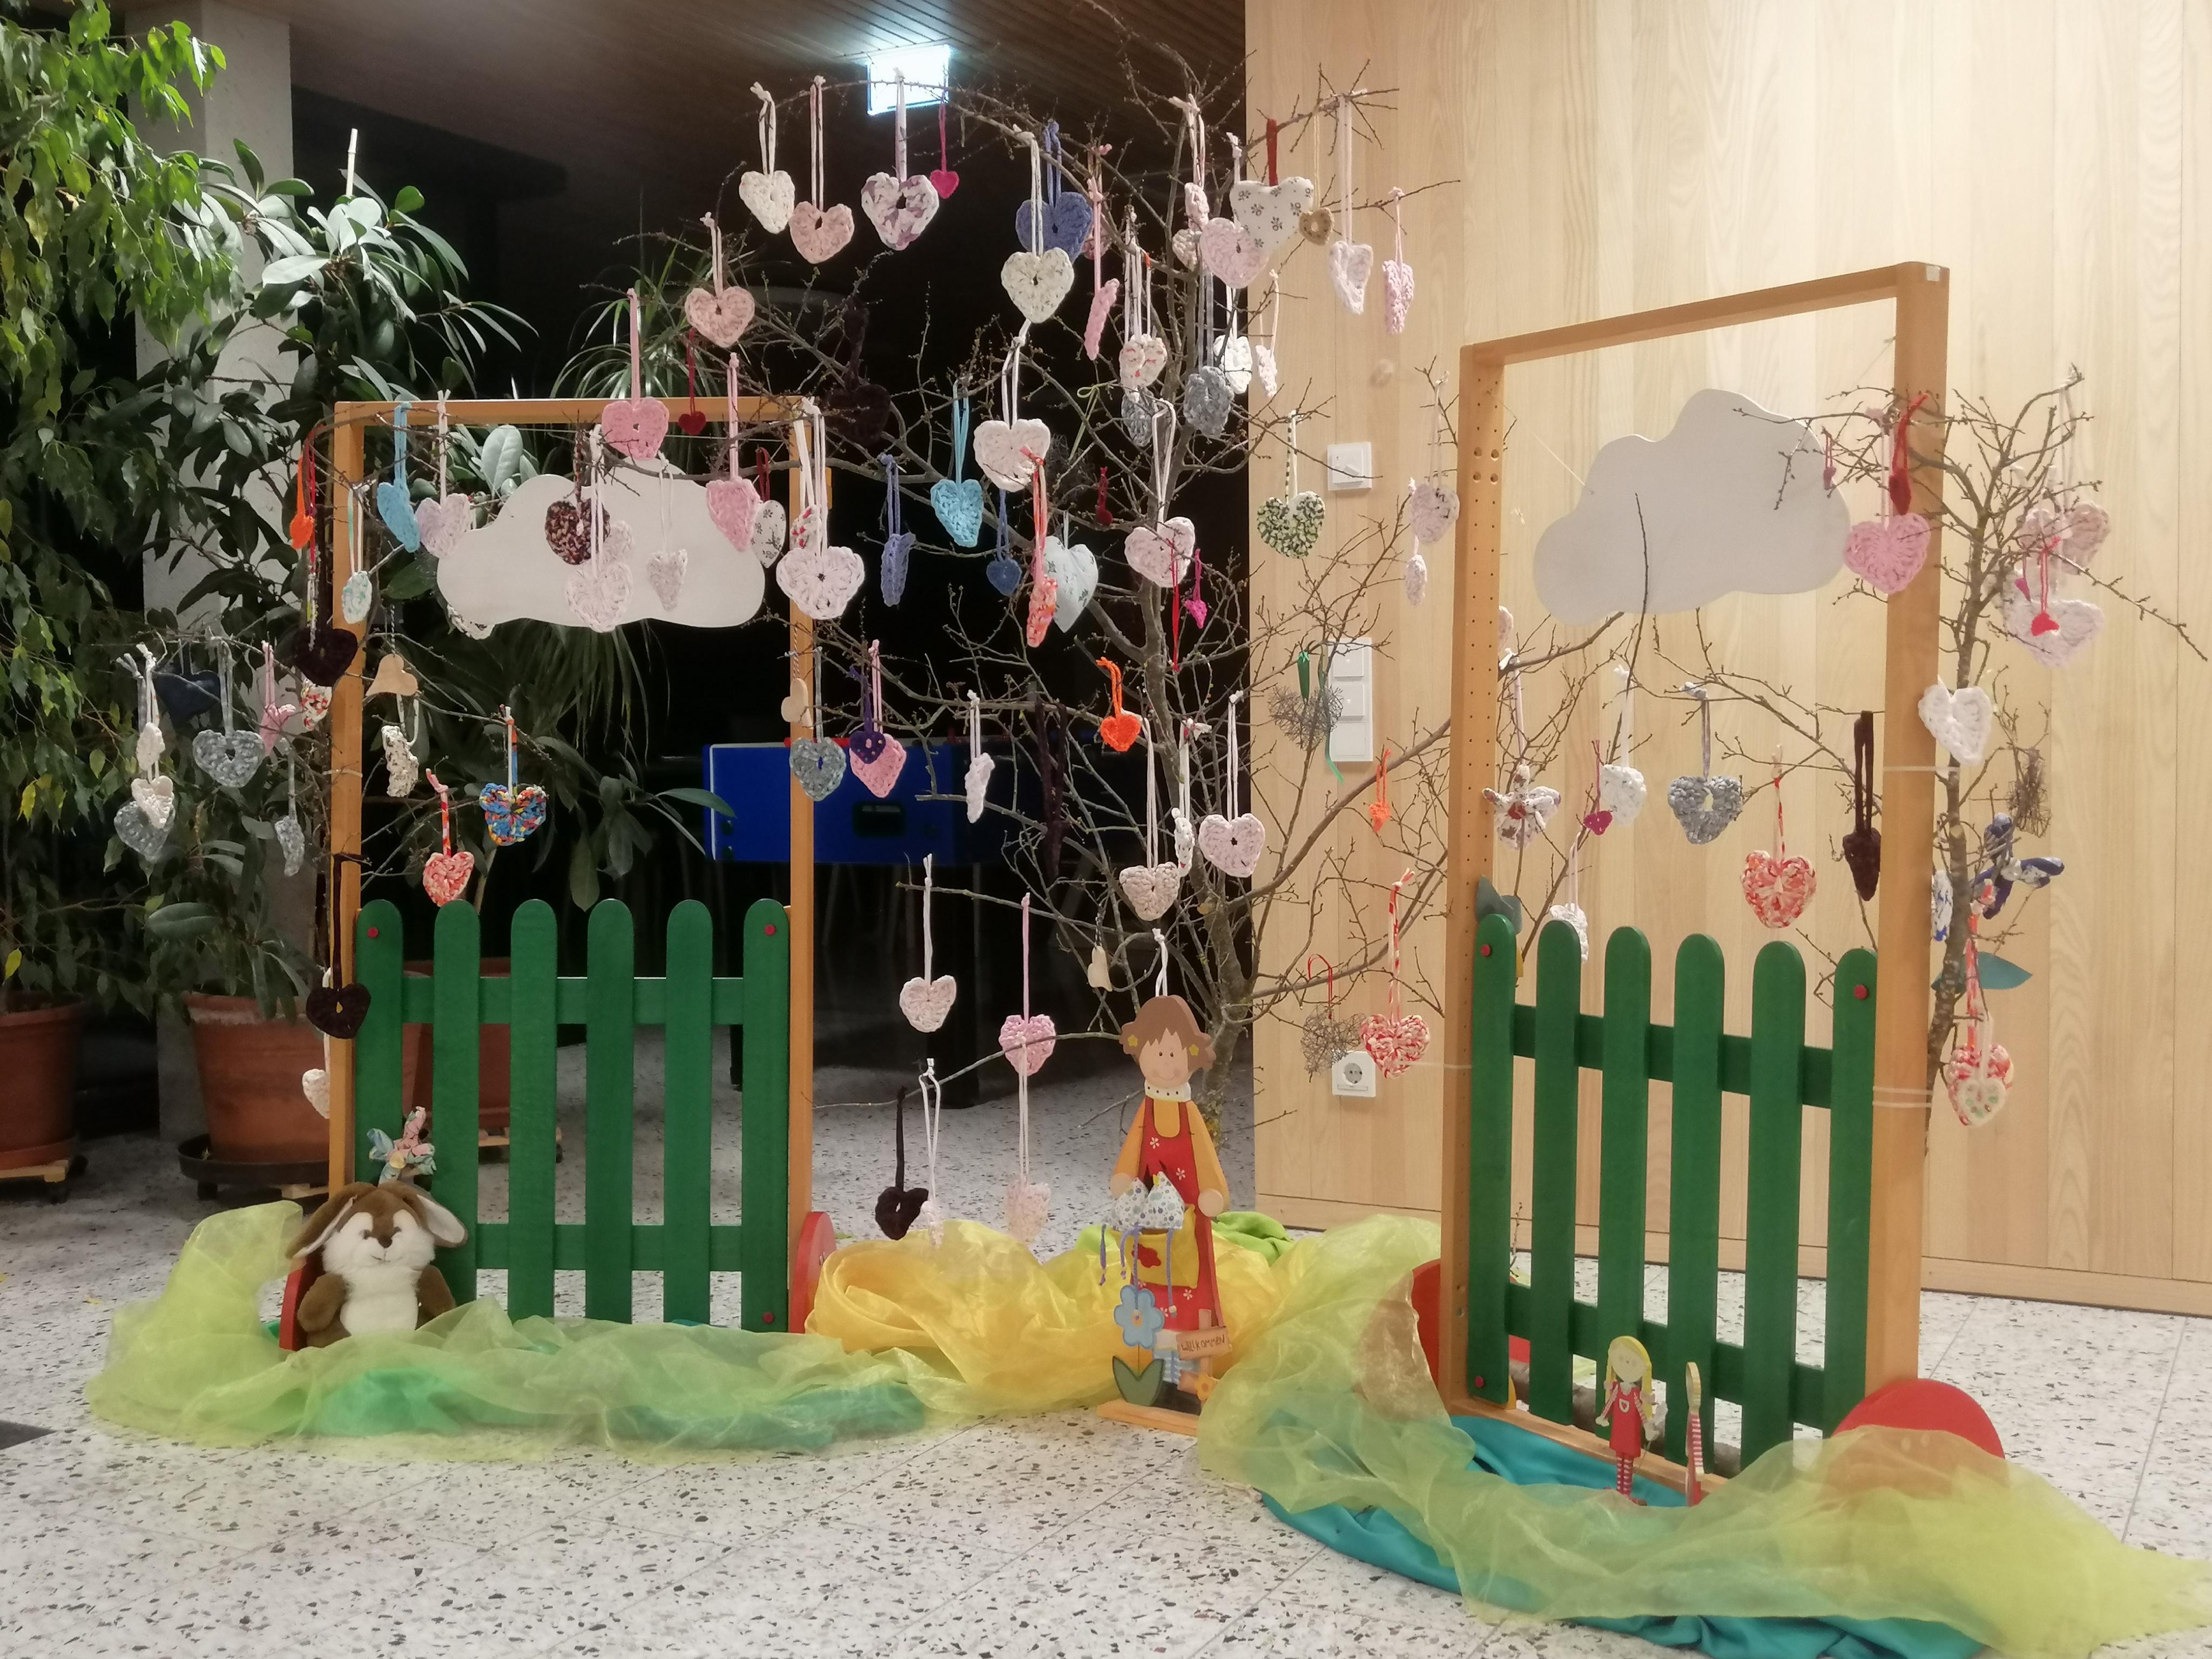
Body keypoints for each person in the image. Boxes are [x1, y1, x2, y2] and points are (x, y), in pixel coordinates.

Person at [1110, 995, 1231, 1395]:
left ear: (1191, 1056)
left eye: (1174, 1054)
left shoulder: (1188, 1112)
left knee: (1192, 1295)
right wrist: (1125, 1176)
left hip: (1190, 1217)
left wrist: (1213, 1189)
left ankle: (1189, 1380)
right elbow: (1135, 1146)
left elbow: (1203, 1153)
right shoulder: (1146, 1110)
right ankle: (1159, 1378)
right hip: (1151, 1224)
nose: (1166, 1064)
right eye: (1158, 1053)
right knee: (1151, 1298)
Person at [1601, 1334, 1657, 1501]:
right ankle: (1620, 1490)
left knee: (1628, 1464)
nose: (1626, 1364)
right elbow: (1611, 1403)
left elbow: (1641, 1411)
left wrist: (1648, 1428)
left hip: (1630, 1434)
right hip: (1619, 1431)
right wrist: (1604, 1416)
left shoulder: (1635, 1395)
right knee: (1620, 1461)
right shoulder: (1617, 1389)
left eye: (1632, 1362)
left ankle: (1626, 1492)